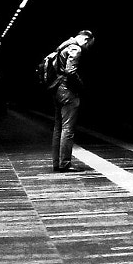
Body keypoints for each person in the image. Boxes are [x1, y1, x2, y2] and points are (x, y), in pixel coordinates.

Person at [50, 29, 95, 172]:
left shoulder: (64, 45)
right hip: (68, 91)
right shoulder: (76, 48)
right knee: (67, 129)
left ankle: (57, 162)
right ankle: (65, 163)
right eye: (89, 45)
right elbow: (70, 71)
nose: (88, 48)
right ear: (86, 40)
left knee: (58, 128)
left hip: (57, 89)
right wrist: (81, 85)